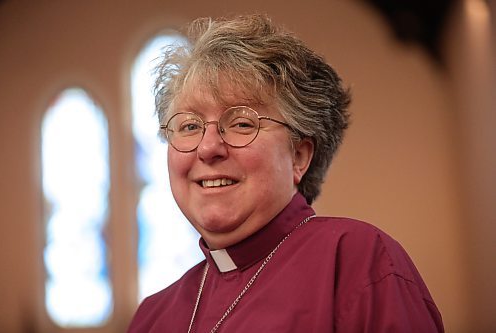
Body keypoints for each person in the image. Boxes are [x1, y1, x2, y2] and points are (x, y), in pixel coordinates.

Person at [128, 14, 444, 332]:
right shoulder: (152, 317)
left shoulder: (360, 263)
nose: (208, 148)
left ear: (299, 156)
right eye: (190, 126)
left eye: (241, 123)